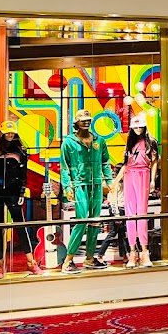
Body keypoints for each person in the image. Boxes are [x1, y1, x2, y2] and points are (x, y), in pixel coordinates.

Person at [0, 121, 43, 278]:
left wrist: (21, 193)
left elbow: (23, 175)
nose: (9, 135)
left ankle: (31, 262)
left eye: (12, 133)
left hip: (13, 193)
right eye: (7, 132)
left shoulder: (20, 152)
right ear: (1, 134)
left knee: (20, 226)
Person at [59, 109, 113, 274]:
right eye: (83, 119)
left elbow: (105, 161)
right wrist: (67, 186)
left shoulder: (99, 141)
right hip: (79, 185)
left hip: (96, 185)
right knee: (81, 221)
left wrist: (109, 181)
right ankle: (68, 260)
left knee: (95, 222)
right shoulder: (69, 142)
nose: (86, 122)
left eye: (88, 119)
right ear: (76, 122)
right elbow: (64, 166)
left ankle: (89, 258)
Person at [113, 114, 157, 268]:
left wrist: (152, 180)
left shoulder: (151, 141)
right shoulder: (130, 142)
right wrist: (115, 182)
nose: (138, 129)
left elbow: (154, 162)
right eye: (135, 126)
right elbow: (126, 164)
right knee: (130, 214)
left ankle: (145, 251)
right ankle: (132, 251)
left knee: (142, 214)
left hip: (143, 174)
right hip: (129, 176)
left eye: (140, 126)